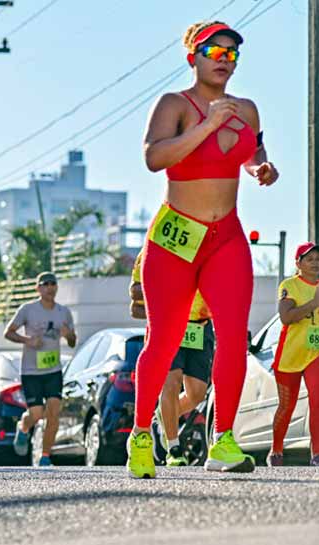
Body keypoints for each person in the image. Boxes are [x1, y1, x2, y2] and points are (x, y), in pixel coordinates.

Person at [131, 20, 279, 478]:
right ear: (193, 56)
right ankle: (140, 436)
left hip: (225, 238)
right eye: (215, 50)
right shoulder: (175, 104)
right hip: (176, 237)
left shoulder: (247, 110)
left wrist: (261, 168)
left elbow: (252, 152)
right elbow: (155, 158)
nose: (223, 59)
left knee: (233, 337)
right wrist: (209, 122)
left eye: (232, 53)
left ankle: (224, 441)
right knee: (164, 339)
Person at [130, 252, 214, 466]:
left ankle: (164, 413)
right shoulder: (154, 247)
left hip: (200, 327)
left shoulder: (209, 249)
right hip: (168, 324)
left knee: (197, 395)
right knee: (172, 382)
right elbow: (135, 293)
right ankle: (174, 448)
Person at [5, 272, 77, 467]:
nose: (50, 287)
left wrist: (68, 334)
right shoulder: (27, 309)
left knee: (54, 412)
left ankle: (45, 456)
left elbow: (72, 342)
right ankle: (24, 427)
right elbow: (8, 332)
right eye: (45, 284)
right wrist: (27, 340)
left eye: (53, 283)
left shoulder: (64, 312)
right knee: (36, 414)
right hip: (31, 371)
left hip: (53, 371)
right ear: (38, 288)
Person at [268, 242, 319, 466]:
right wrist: (314, 303)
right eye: (310, 259)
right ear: (298, 263)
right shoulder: (289, 285)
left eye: (318, 259)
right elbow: (286, 317)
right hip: (290, 355)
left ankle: (316, 453)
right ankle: (276, 449)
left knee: (317, 400)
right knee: (286, 406)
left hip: (315, 354)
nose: (315, 263)